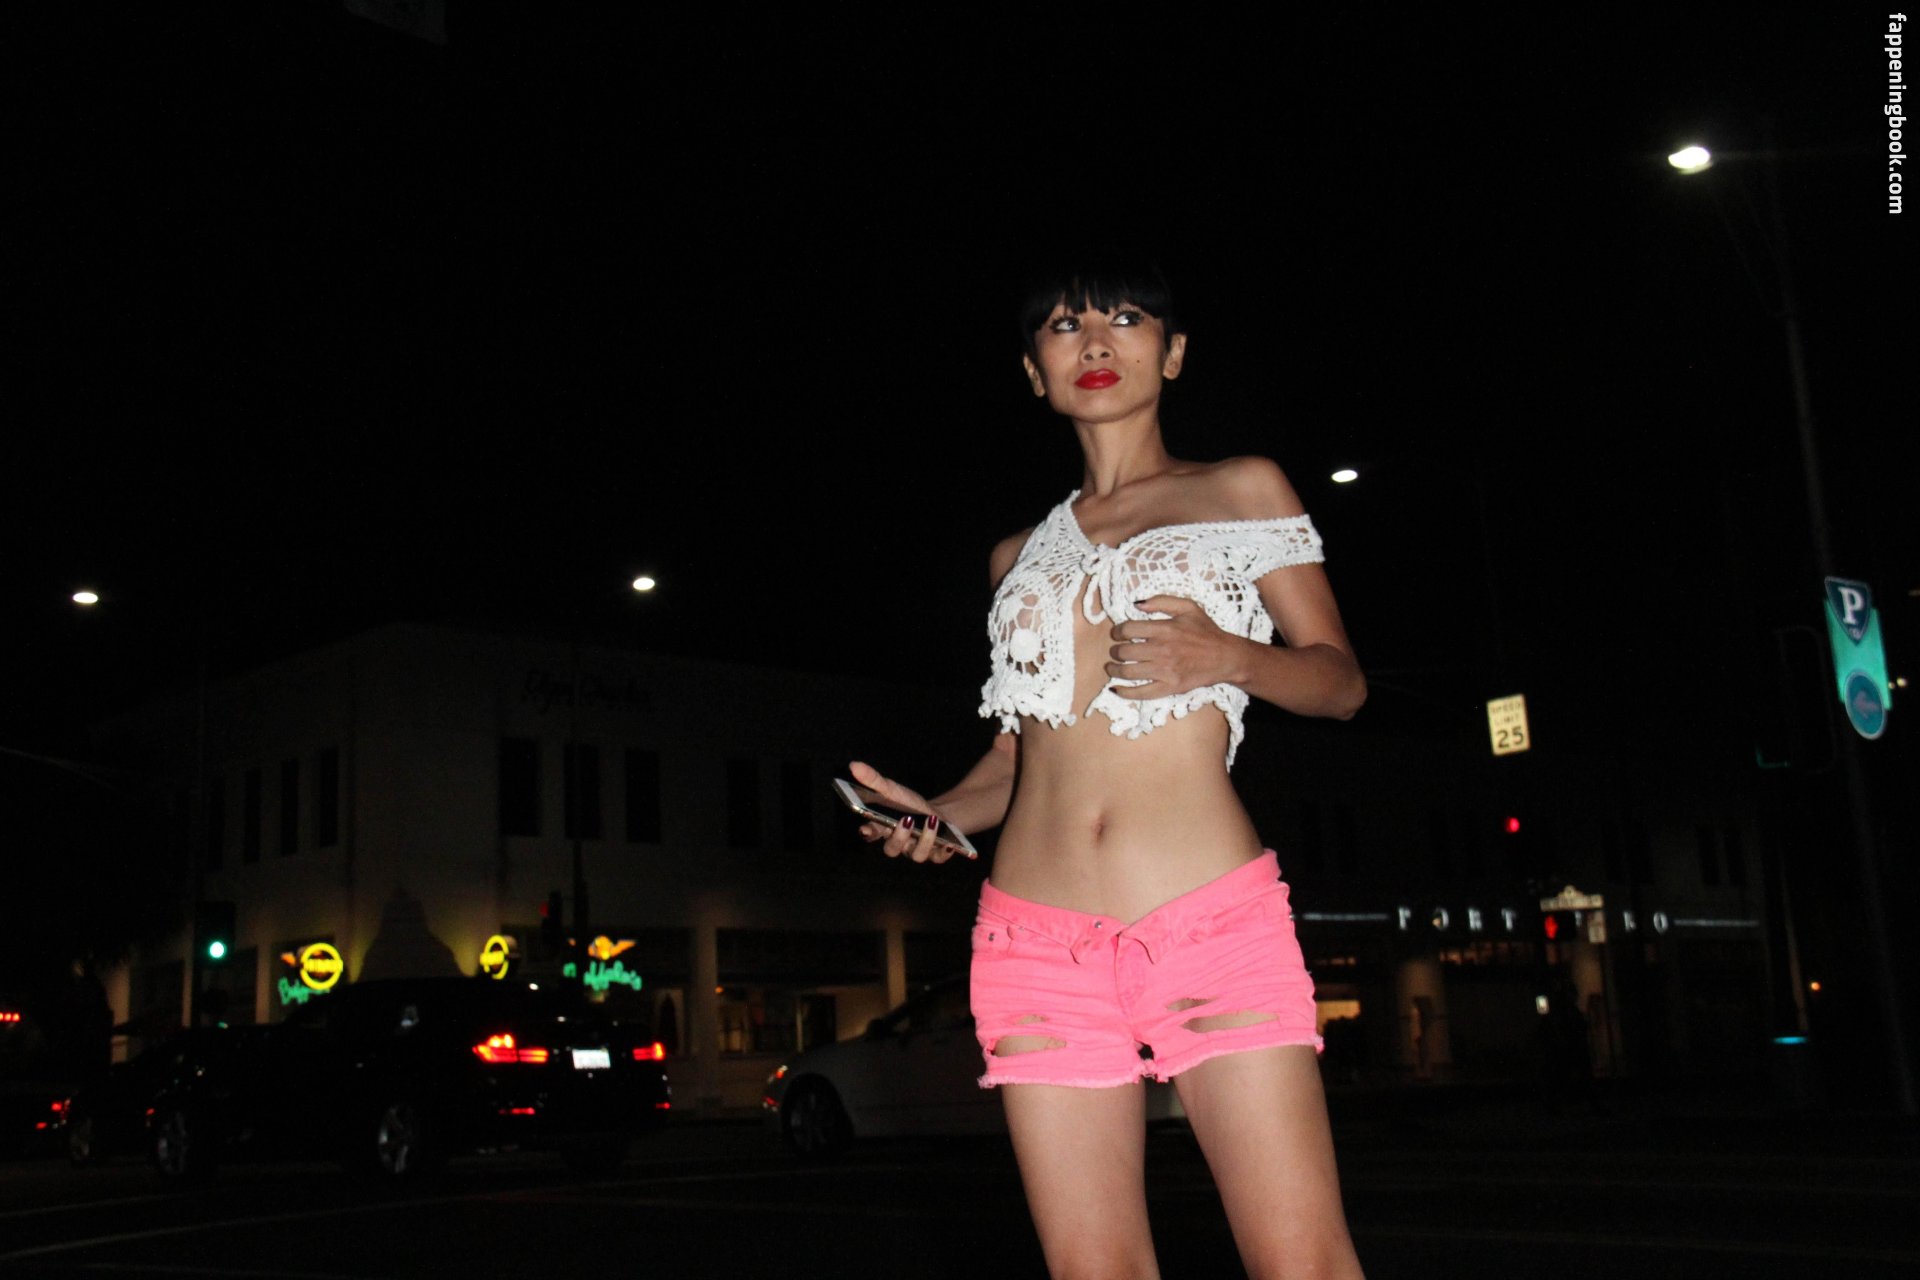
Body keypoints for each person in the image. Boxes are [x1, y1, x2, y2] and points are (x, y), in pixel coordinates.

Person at [852, 261, 1368, 1280]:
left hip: (1205, 919)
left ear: (1172, 354)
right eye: (1061, 325)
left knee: (1299, 1257)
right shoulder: (1015, 557)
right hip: (1034, 941)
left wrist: (1232, 657)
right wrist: (938, 814)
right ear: (1033, 372)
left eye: (1125, 317)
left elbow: (1340, 681)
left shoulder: (1240, 490)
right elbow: (1022, 753)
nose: (1093, 340)